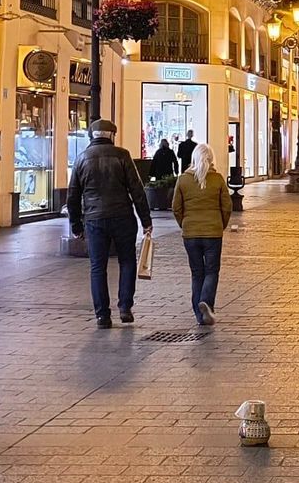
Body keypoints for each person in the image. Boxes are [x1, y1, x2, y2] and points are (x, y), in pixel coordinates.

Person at [67, 119, 152, 328]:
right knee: (127, 261)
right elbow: (137, 190)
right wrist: (146, 221)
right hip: (122, 216)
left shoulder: (81, 159)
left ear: (92, 136)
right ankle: (125, 307)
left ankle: (102, 315)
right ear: (112, 135)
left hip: (94, 219)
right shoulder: (122, 155)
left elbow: (72, 196)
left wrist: (76, 225)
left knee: (97, 267)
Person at [173, 144, 231, 325]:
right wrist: (221, 224)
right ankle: (206, 301)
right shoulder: (218, 179)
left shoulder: (183, 179)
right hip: (213, 232)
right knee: (212, 271)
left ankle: (199, 315)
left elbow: (176, 207)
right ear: (211, 159)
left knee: (197, 272)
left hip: (190, 233)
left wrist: (184, 224)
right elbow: (227, 206)